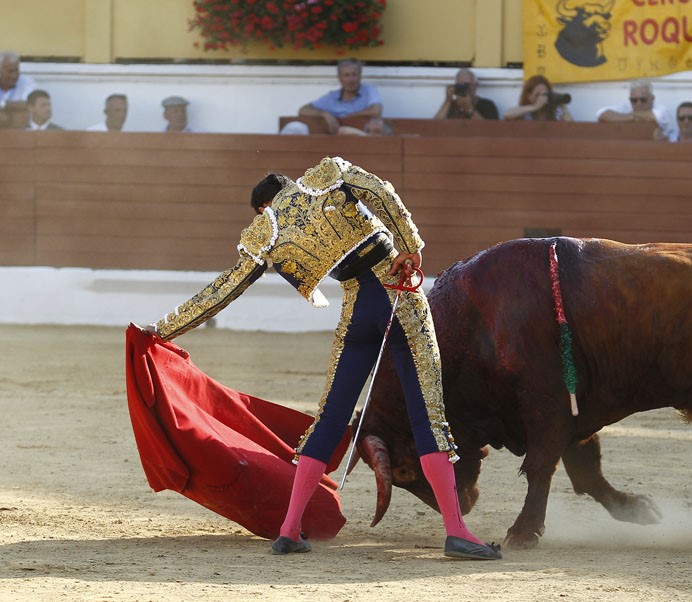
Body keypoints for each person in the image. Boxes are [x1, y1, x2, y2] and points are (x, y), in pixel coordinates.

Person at [141, 156, 502, 561]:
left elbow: (226, 287)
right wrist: (410, 246)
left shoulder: (267, 229)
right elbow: (380, 191)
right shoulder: (326, 176)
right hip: (398, 293)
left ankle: (289, 529)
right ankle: (456, 531)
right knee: (428, 417)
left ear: (263, 207)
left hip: (356, 312)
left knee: (329, 418)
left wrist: (164, 328)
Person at [298, 58, 382, 135]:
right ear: (339, 78)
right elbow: (303, 110)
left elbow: (376, 111)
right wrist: (325, 114)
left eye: (354, 75)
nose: (350, 80)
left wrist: (347, 117)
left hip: (365, 140)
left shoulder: (368, 90)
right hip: (336, 142)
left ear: (360, 76)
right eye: (346, 75)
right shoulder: (332, 97)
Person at [596, 80, 670, 137]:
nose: (638, 103)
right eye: (634, 100)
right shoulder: (626, 106)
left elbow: (652, 117)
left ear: (652, 98)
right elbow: (601, 114)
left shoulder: (661, 109)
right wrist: (632, 117)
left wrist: (624, 117)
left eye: (643, 100)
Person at [433, 68, 499, 120]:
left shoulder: (487, 105)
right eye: (461, 85)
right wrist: (448, 100)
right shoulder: (451, 105)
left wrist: (469, 108)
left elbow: (489, 129)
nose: (465, 88)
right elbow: (435, 126)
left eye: (468, 85)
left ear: (476, 86)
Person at [503, 75, 573, 121]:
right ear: (529, 96)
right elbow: (507, 114)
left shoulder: (556, 112)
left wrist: (563, 107)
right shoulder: (525, 112)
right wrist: (535, 107)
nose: (542, 98)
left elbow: (571, 128)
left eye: (545, 94)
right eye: (537, 95)